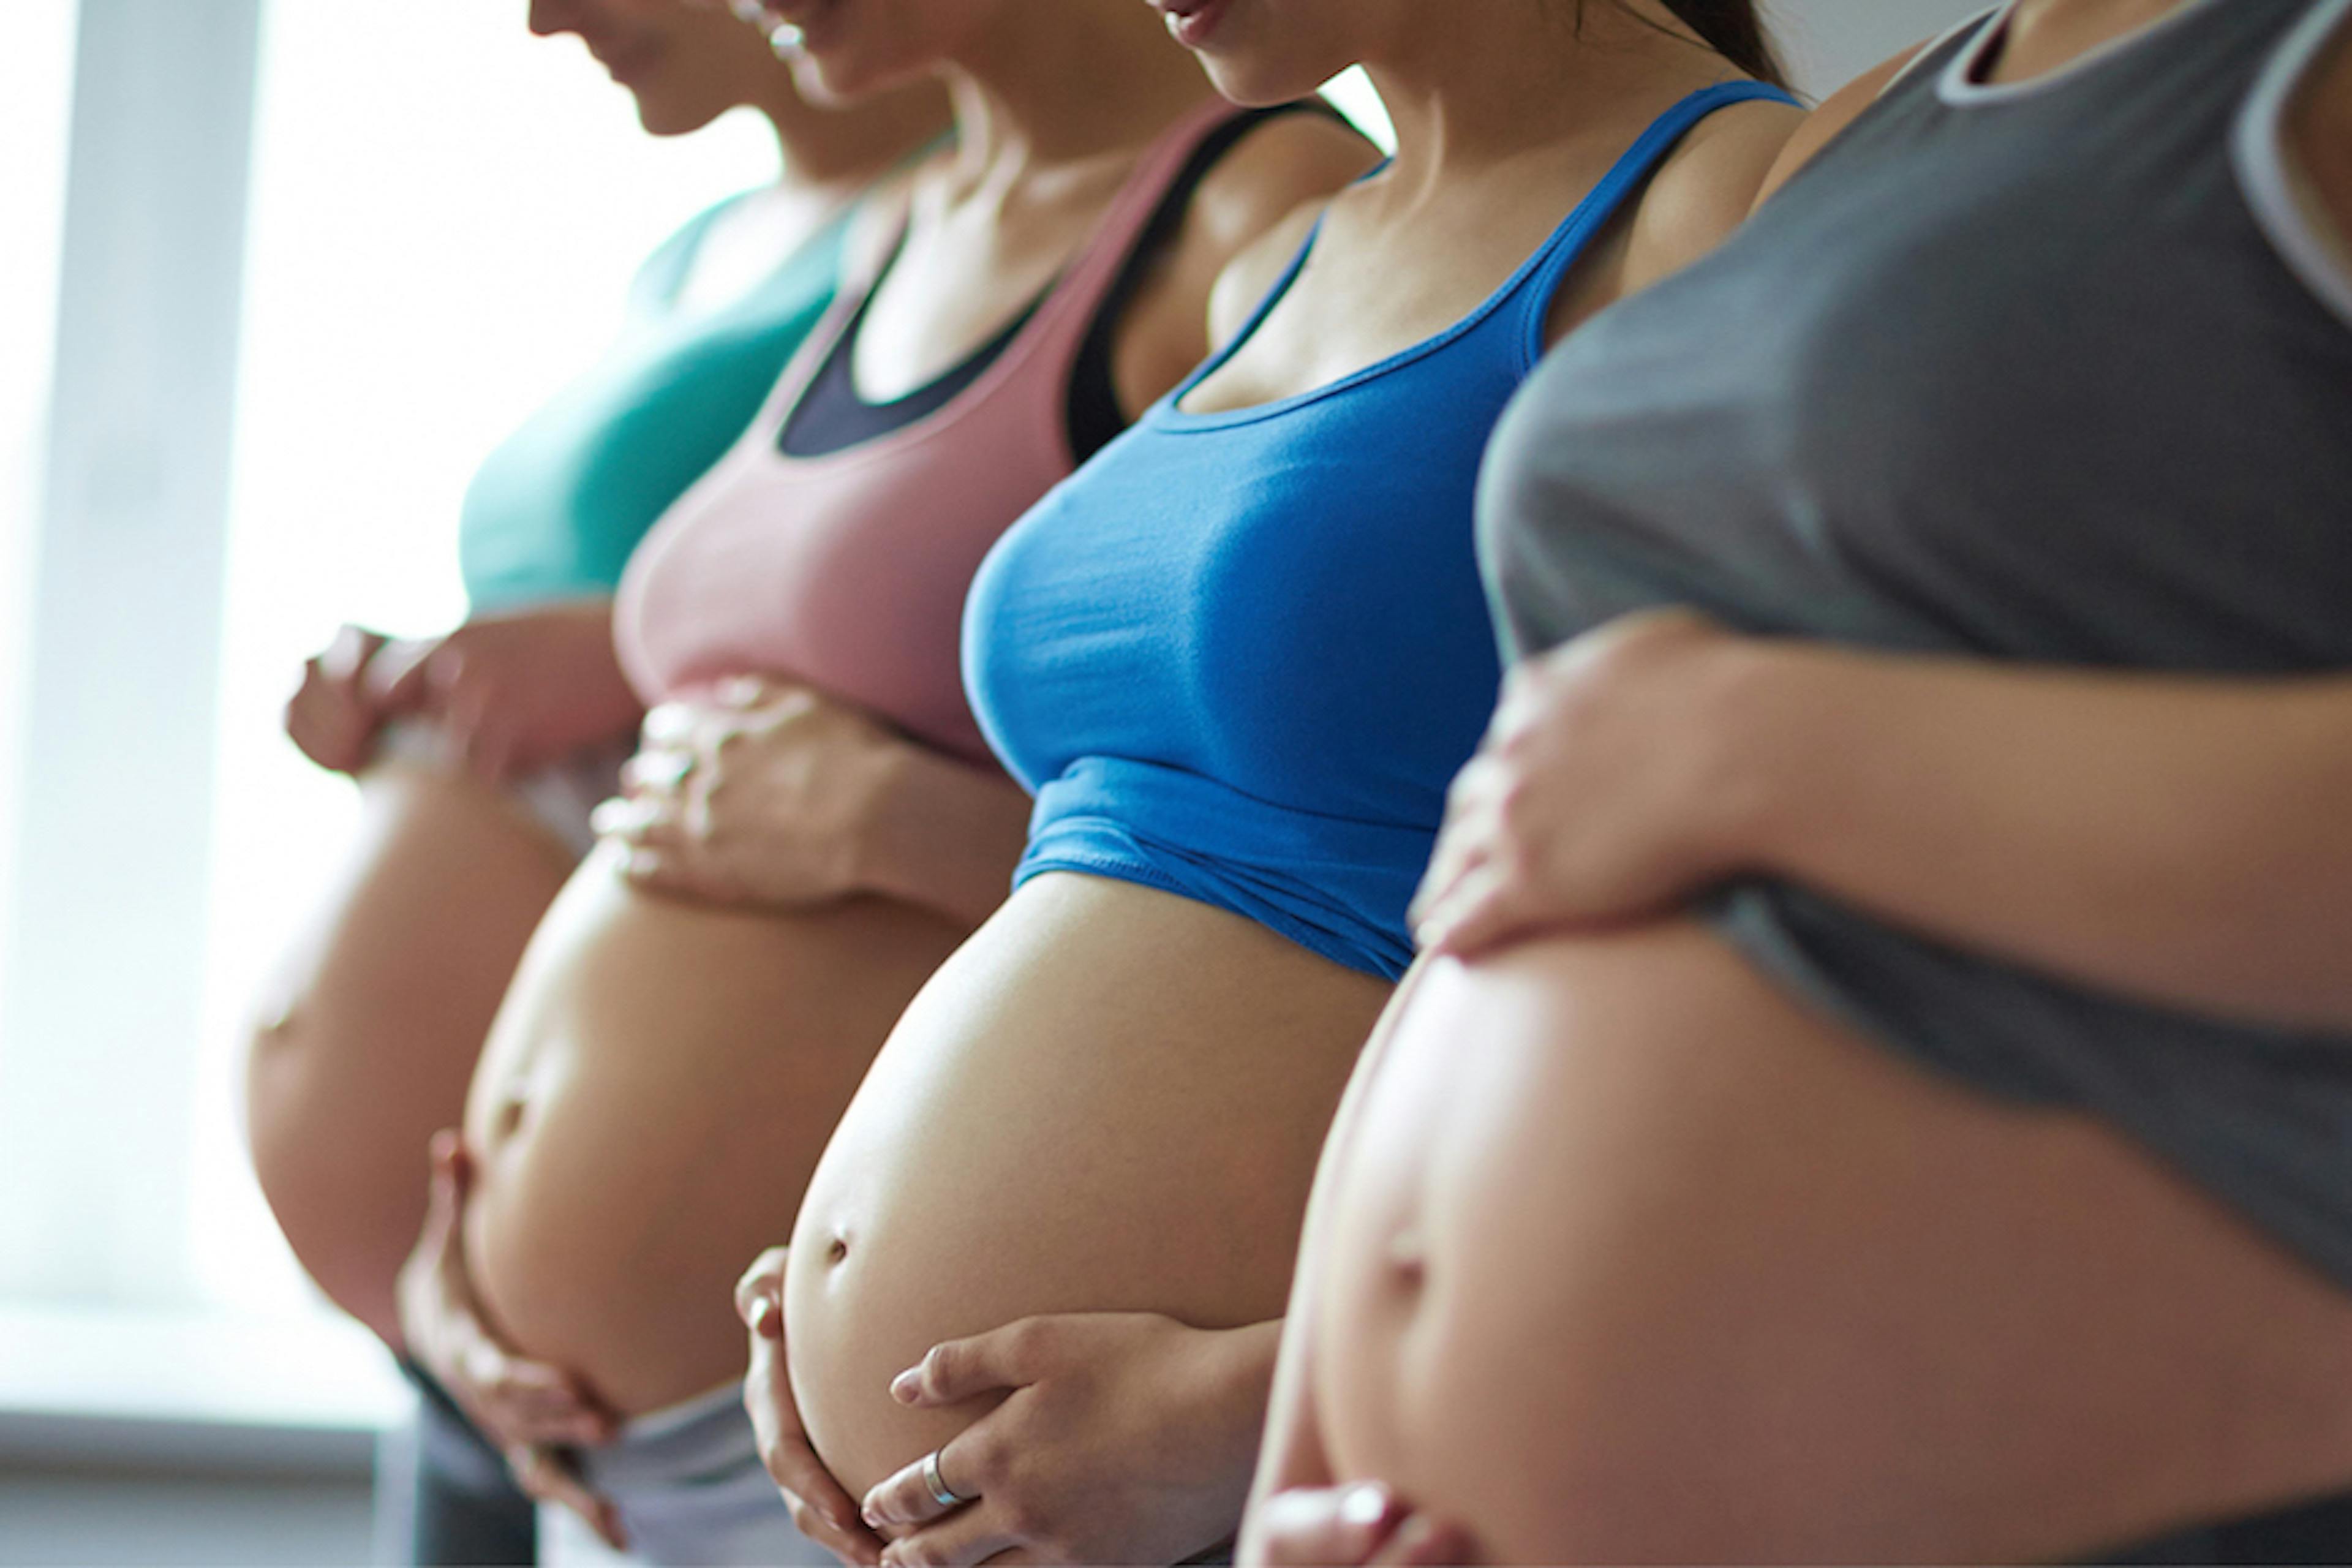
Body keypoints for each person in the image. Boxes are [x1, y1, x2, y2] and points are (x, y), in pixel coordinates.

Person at [1243, 0, 2352, 1561]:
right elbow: (1524, 841)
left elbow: (1673, 751)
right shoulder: (1856, 132)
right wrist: (1313, 1451)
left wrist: (1757, 744)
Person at [729, 3, 1801, 1563]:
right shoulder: (1278, 262)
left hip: (1315, 1484)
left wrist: (1257, 1406)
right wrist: (829, 1276)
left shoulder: (1729, 206)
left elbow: (1805, 985)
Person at [393, 0, 1374, 1559]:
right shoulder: (900, 228)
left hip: (969, 1439)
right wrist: (460, 1268)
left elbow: (1314, 861)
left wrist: (879, 822)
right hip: (641, 1424)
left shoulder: (1268, 218)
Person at [249, 2, 947, 1561]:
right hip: (455, 1294)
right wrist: (412, 685)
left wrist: (631, 653)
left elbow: (888, 646)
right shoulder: (696, 247)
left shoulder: (981, 217)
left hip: (686, 1318)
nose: (548, 11)